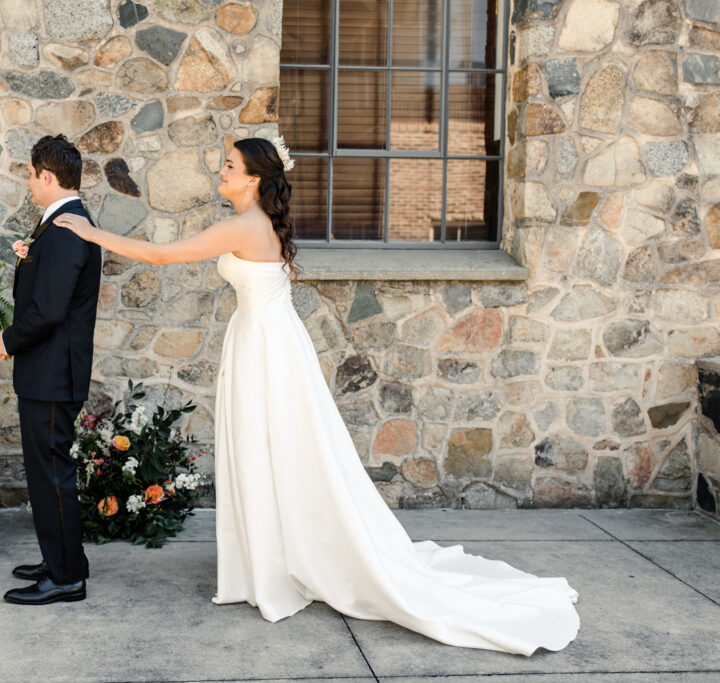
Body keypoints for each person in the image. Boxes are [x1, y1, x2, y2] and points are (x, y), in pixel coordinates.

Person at [53, 137, 580, 655]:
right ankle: (275, 557)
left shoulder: (245, 225)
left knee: (271, 450)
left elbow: (162, 256)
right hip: (267, 339)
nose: (221, 173)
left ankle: (278, 564)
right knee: (276, 451)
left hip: (266, 348)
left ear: (253, 178)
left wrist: (89, 232)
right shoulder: (258, 222)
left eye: (229, 166)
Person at [0, 134, 100, 606]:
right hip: (49, 372)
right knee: (46, 473)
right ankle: (62, 559)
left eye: (31, 175)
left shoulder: (67, 229)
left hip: (51, 375)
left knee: (52, 475)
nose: (29, 183)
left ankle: (67, 576)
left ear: (47, 176)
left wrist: (6, 340)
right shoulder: (61, 225)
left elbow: (50, 310)